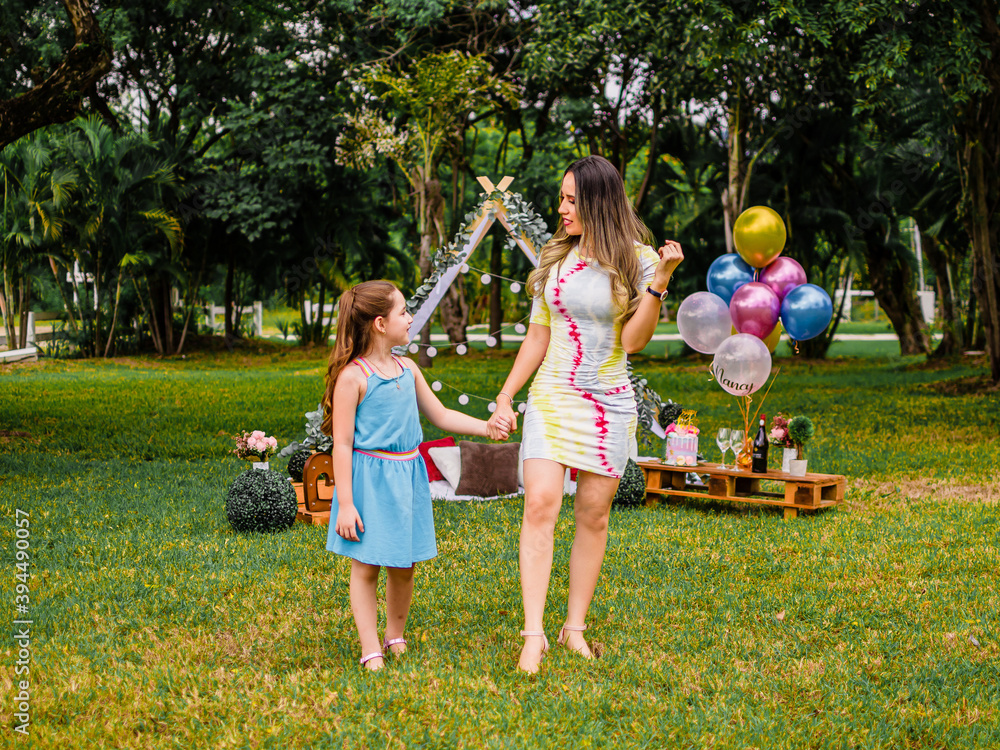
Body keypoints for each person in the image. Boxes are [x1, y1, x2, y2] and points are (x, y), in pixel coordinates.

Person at [486, 155, 684, 673]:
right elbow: (539, 335)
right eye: (561, 197)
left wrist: (659, 281)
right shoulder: (555, 260)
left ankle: (573, 626)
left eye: (571, 200)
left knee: (593, 516)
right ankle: (534, 634)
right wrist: (507, 395)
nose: (562, 208)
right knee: (540, 505)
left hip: (608, 402)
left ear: (598, 202)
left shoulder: (639, 261)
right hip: (553, 396)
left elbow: (634, 341)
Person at [323, 280, 510, 671]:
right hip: (369, 483)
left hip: (407, 477)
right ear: (379, 323)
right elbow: (341, 445)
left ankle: (395, 634)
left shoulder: (407, 369)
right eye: (403, 312)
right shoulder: (353, 378)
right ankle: (370, 645)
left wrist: (486, 426)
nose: (410, 318)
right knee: (367, 565)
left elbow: (441, 415)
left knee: (404, 564)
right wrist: (346, 504)